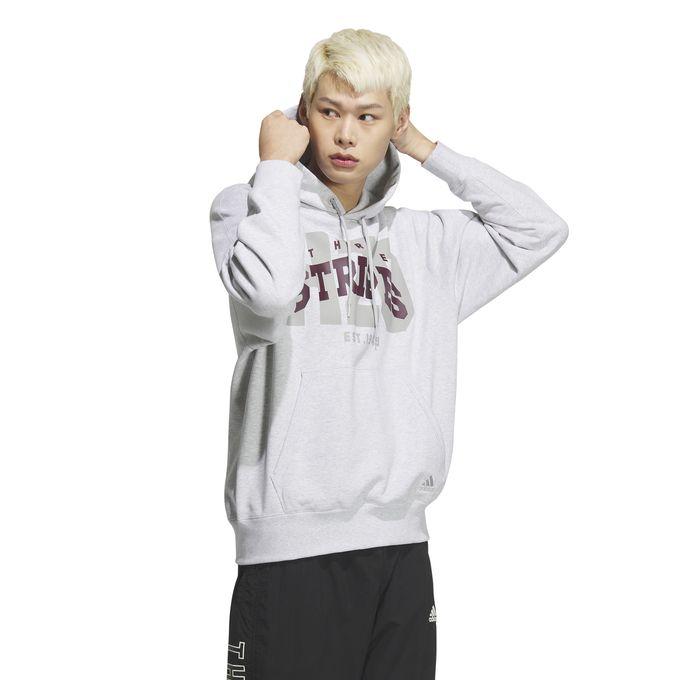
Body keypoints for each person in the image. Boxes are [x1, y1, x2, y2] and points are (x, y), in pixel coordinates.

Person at [209, 27, 568, 680]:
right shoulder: (250, 210)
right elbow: (268, 294)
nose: (346, 135)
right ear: (303, 113)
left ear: (395, 122)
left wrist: (425, 148)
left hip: (400, 545)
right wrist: (275, 169)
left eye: (368, 117)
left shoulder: (427, 244)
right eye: (329, 112)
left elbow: (540, 228)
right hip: (287, 548)